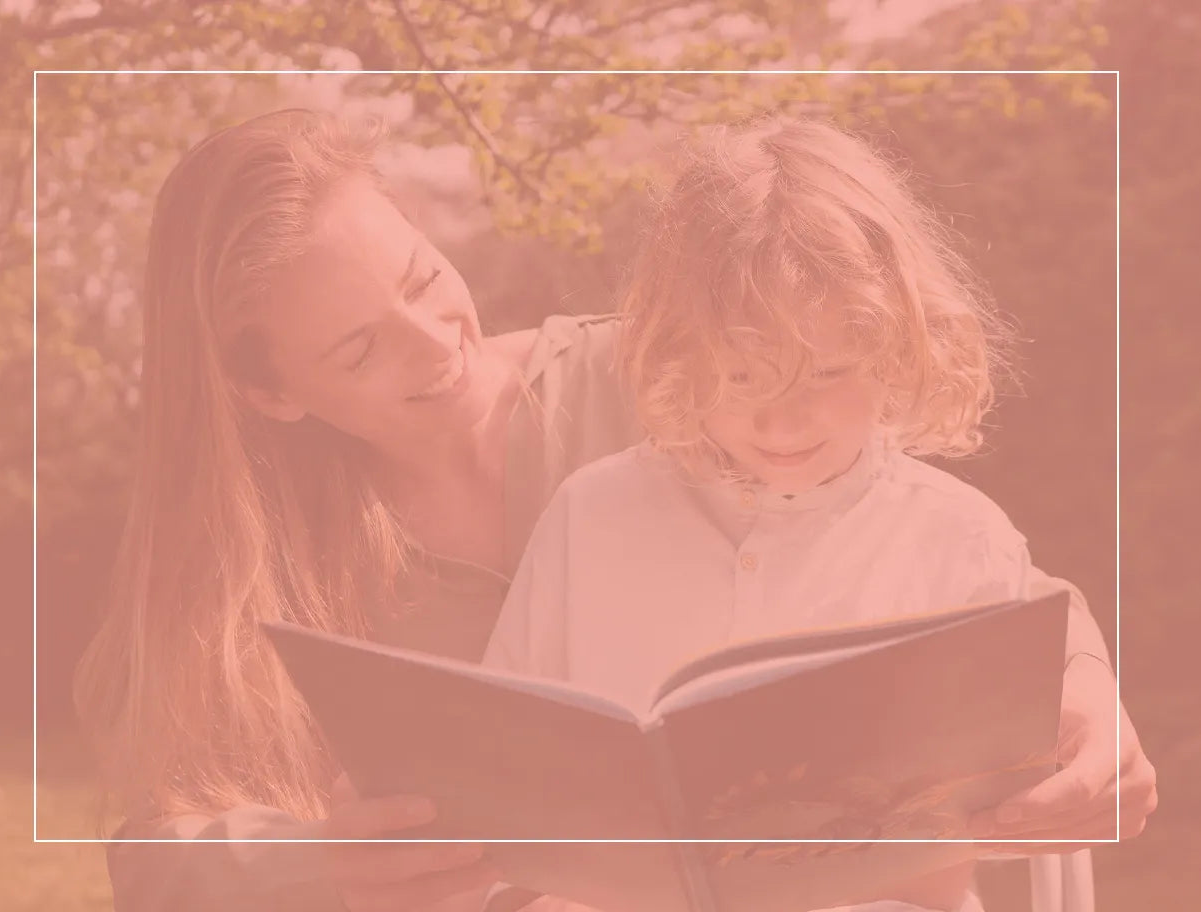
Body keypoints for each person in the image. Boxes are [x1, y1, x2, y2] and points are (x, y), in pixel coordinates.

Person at [73, 108, 1154, 912]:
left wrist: (1085, 690)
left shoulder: (673, 366)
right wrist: (310, 864)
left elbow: (954, 567)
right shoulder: (258, 555)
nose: (432, 344)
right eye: (358, 347)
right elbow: (155, 848)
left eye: (420, 275)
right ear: (269, 394)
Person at [483, 116, 1157, 912]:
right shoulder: (590, 517)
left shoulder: (958, 538)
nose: (782, 424)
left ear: (896, 341)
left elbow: (1020, 806)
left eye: (825, 373)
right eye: (739, 379)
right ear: (682, 352)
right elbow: (505, 794)